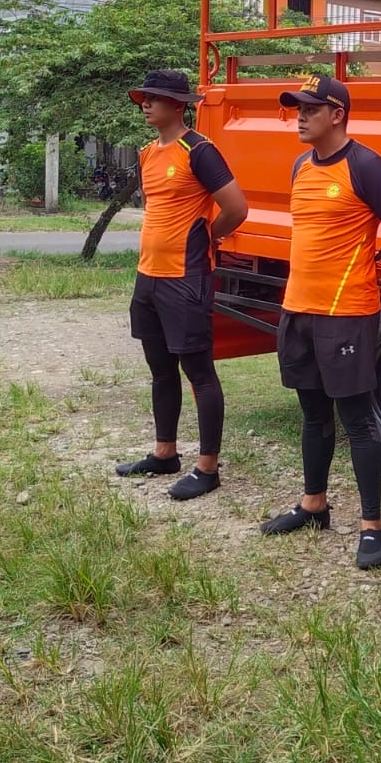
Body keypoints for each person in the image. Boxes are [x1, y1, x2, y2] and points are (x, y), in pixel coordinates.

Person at [259, 74, 381, 569]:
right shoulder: (300, 166)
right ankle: (314, 504)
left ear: (338, 115)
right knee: (312, 414)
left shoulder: (365, 165)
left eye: (310, 108)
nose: (300, 117)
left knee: (357, 420)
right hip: (300, 308)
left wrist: (374, 271)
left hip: (346, 313)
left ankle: (372, 526)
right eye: (297, 108)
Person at [115, 70, 248, 500]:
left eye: (154, 98)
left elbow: (236, 206)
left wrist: (210, 236)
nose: (145, 105)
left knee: (199, 373)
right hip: (149, 275)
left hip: (185, 278)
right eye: (143, 98)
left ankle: (207, 468)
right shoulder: (148, 153)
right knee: (159, 369)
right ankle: (164, 453)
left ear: (178, 105)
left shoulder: (200, 151)